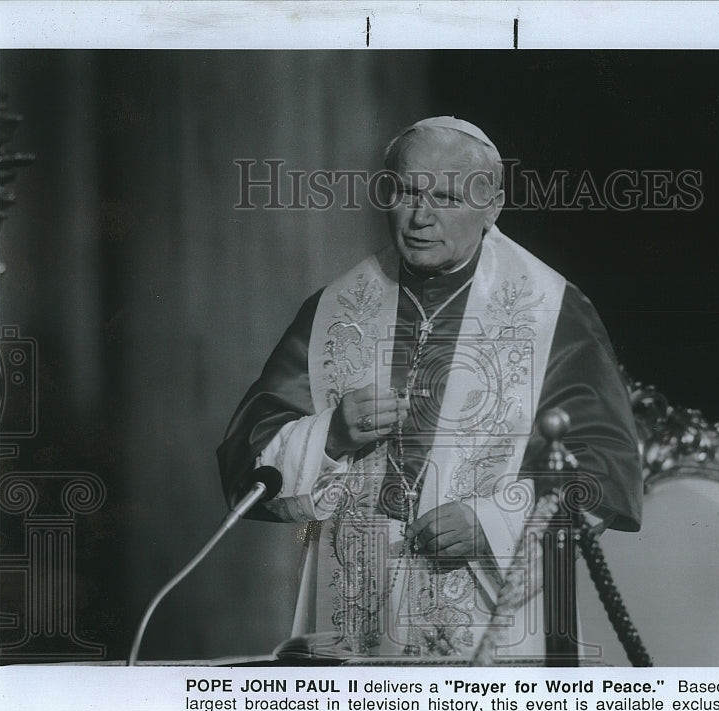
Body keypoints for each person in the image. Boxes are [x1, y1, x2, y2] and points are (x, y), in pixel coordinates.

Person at [217, 116, 642, 662]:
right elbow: (247, 461)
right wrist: (333, 434)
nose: (421, 216)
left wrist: (490, 524)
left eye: (445, 196)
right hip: (352, 616)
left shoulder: (552, 310)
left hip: (492, 624)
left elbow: (604, 470)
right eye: (408, 192)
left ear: (492, 206)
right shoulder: (334, 307)